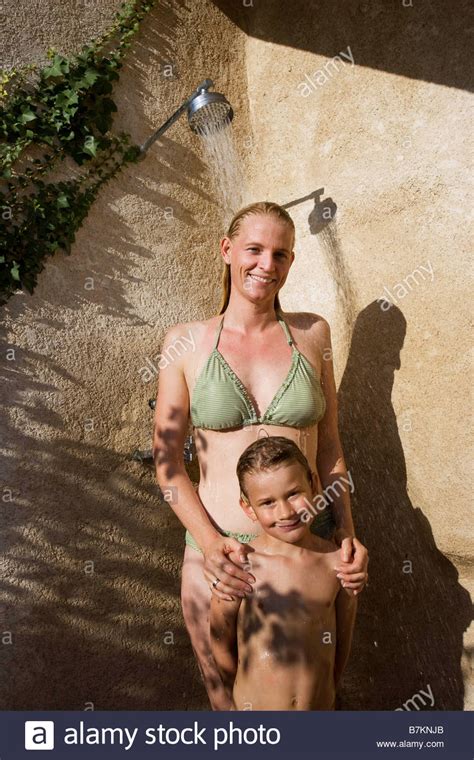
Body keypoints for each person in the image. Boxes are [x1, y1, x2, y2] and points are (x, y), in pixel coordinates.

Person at [152, 201, 368, 710]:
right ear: (227, 251)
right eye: (254, 250)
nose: (266, 265)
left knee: (315, 704)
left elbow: (331, 445)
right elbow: (167, 464)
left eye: (280, 254)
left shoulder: (314, 335)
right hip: (221, 559)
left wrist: (346, 535)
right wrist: (209, 544)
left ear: (291, 262)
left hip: (304, 554)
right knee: (229, 712)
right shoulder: (185, 343)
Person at [210, 435, 357, 710]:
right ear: (248, 508)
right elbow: (220, 642)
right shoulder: (241, 567)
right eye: (267, 502)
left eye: (293, 494)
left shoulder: (337, 562)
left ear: (314, 485)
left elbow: (342, 645)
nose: (286, 512)